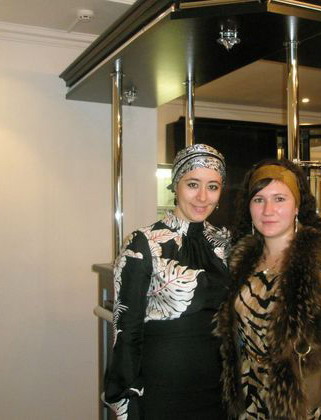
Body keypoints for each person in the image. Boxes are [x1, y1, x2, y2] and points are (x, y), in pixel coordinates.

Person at [215, 159, 321, 420]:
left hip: (300, 407)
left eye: (279, 199)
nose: (268, 210)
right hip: (249, 403)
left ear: (297, 206)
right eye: (259, 200)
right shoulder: (239, 262)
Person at [103, 144, 231, 420]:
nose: (202, 197)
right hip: (162, 389)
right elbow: (126, 330)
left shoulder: (225, 243)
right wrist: (127, 401)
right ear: (175, 186)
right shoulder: (143, 243)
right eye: (192, 184)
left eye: (212, 187)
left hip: (217, 388)